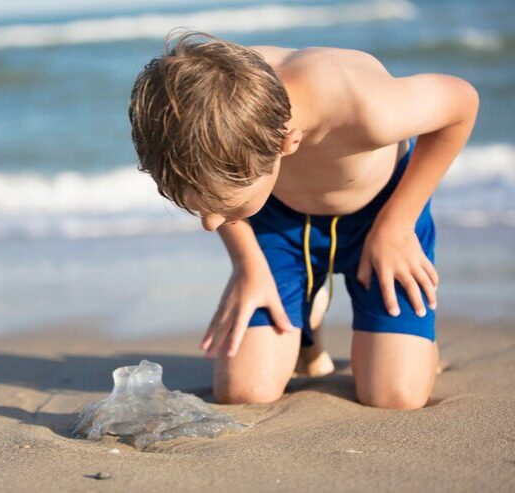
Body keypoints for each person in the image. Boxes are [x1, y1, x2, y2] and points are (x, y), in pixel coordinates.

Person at [128, 30, 479, 409]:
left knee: (395, 396)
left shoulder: (365, 105)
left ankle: (414, 340)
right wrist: (248, 263)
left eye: (223, 207)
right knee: (244, 393)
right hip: (280, 221)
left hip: (380, 216)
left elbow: (462, 103)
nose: (211, 224)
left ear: (287, 144)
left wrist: (398, 224)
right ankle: (307, 325)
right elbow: (220, 194)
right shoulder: (206, 111)